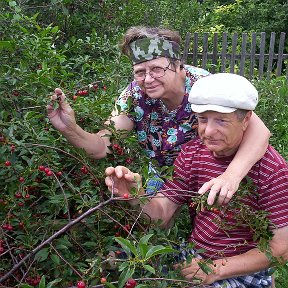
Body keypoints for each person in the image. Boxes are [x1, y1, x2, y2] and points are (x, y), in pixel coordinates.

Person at [47, 26, 270, 205]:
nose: (148, 79)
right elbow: (102, 145)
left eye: (156, 69)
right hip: (165, 181)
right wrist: (70, 128)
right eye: (140, 72)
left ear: (177, 64)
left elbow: (258, 132)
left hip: (213, 174)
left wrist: (230, 177)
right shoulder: (134, 95)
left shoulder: (205, 85)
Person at [105, 73, 288, 287]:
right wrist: (135, 195)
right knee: (119, 263)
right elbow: (162, 214)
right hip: (196, 256)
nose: (208, 131)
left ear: (246, 120)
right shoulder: (193, 153)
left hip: (242, 268)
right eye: (203, 119)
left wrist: (215, 270)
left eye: (221, 120)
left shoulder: (271, 168)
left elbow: (281, 248)